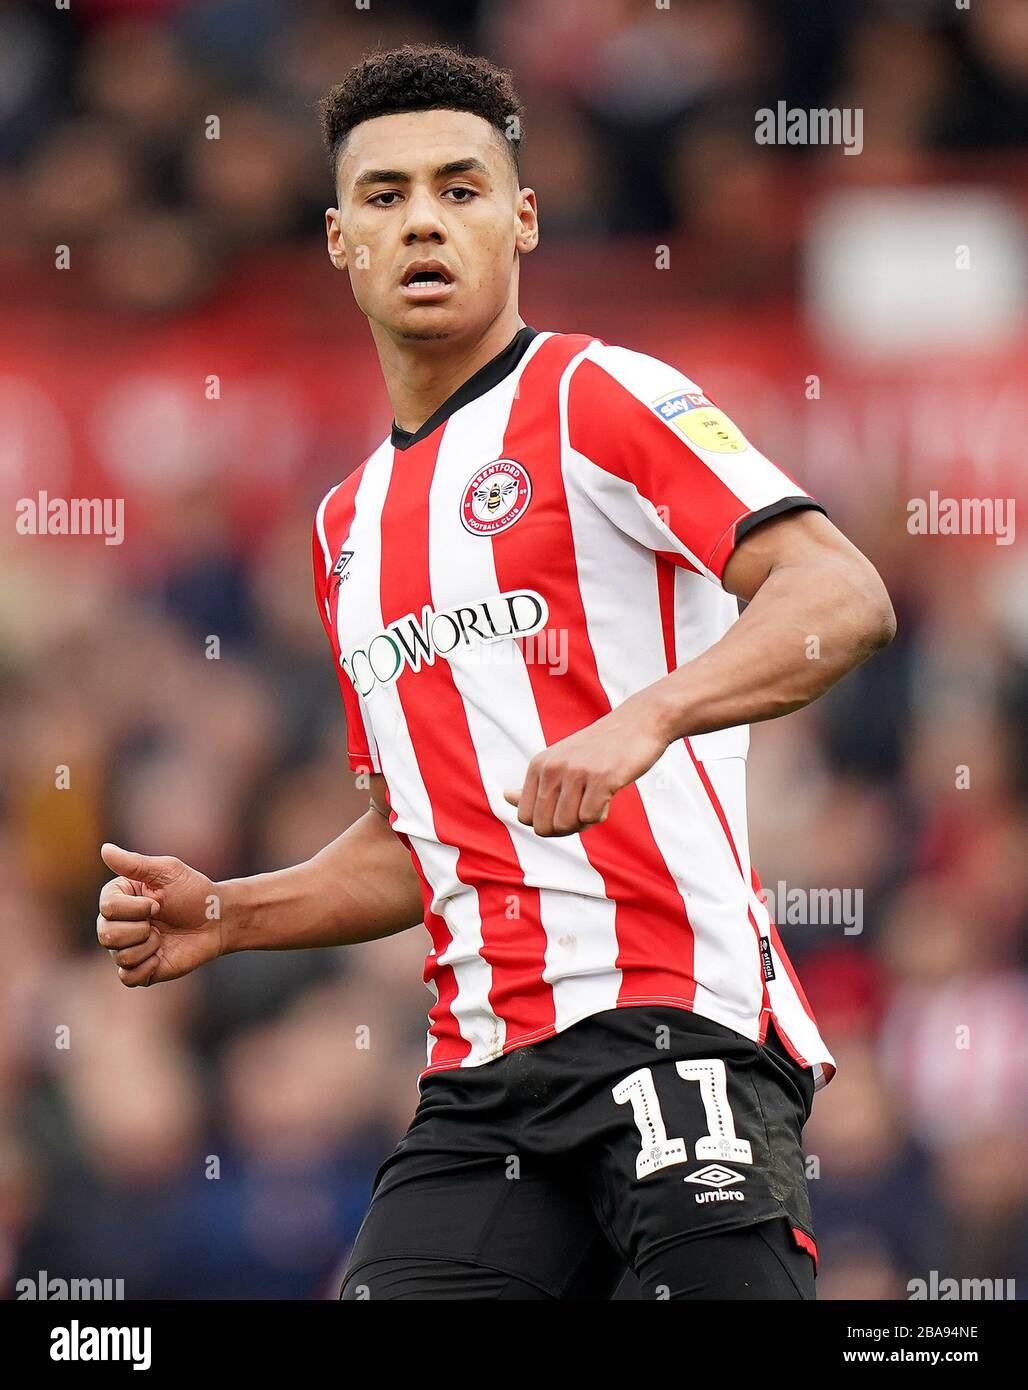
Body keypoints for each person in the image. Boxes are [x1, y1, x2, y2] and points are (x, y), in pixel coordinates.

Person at [96, 45, 896, 1300]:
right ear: (337, 239)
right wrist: (238, 912)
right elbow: (422, 836)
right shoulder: (342, 528)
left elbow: (838, 596)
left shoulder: (600, 395)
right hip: (479, 1085)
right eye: (386, 194)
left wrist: (647, 717)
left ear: (521, 219)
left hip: (672, 1031)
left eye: (461, 188)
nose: (423, 218)